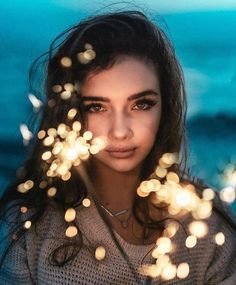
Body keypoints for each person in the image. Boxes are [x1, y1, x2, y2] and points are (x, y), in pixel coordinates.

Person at [0, 10, 236, 285]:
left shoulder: (207, 223)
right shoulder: (31, 224)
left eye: (141, 104)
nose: (120, 131)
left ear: (166, 108)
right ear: (71, 112)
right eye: (97, 107)